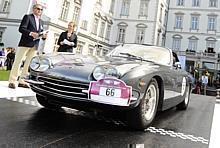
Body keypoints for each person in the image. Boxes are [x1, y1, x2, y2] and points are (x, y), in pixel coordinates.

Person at [8, 4, 47, 89]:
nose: (39, 11)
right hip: (25, 43)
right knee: (18, 62)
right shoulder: (28, 17)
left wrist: (43, 36)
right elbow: (21, 28)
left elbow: (40, 32)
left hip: (34, 45)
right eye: (38, 9)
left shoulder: (42, 22)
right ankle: (12, 81)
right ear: (34, 9)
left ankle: (22, 81)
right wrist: (30, 33)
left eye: (41, 10)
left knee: (28, 64)